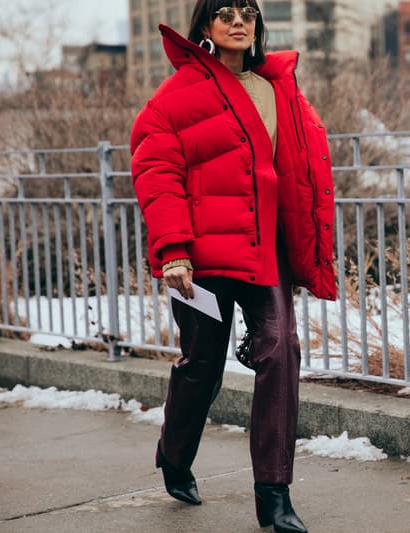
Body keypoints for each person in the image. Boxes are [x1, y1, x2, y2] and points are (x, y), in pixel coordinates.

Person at [130, 2, 336, 532]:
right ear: (205, 28)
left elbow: (299, 171)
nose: (238, 21)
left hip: (265, 249)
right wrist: (173, 248)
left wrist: (307, 246)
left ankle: (274, 496)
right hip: (200, 258)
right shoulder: (176, 95)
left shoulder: (278, 87)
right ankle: (174, 458)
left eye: (247, 12)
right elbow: (156, 170)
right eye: (225, 12)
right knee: (202, 365)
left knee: (281, 353)